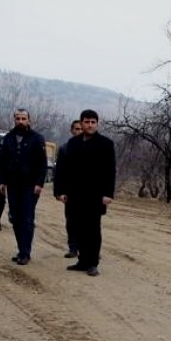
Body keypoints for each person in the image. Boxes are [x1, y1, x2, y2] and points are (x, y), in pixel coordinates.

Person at [54, 109, 115, 277]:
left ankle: (92, 263)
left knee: (93, 229)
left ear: (97, 123)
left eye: (92, 122)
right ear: (81, 123)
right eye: (86, 122)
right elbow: (63, 170)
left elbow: (110, 171)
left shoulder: (105, 144)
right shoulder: (72, 144)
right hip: (75, 194)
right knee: (77, 228)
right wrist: (60, 191)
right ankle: (82, 261)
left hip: (95, 195)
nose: (89, 125)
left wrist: (108, 194)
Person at [0, 108, 47, 266]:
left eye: (23, 118)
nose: (20, 121)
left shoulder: (37, 138)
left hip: (30, 186)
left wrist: (39, 183)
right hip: (13, 184)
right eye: (18, 118)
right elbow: (4, 161)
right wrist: (2, 181)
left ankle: (25, 253)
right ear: (14, 120)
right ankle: (21, 249)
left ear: (29, 120)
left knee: (27, 219)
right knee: (15, 218)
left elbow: (42, 164)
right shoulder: (8, 138)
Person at [55, 119, 83, 258]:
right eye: (76, 129)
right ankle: (73, 248)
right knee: (71, 220)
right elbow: (59, 171)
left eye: (80, 129)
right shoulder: (65, 148)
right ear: (72, 131)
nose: (78, 131)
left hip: (88, 192)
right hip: (71, 191)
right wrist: (59, 192)